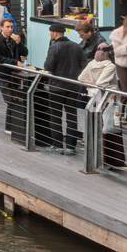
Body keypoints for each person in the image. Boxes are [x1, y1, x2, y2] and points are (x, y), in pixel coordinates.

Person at [79, 42, 126, 170]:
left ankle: (99, 158)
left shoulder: (91, 64)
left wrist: (91, 83)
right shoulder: (110, 66)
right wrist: (96, 83)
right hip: (110, 100)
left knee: (99, 127)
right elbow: (101, 82)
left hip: (94, 100)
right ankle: (115, 161)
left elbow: (81, 78)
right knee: (113, 128)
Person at [41, 23, 87, 154]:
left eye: (50, 32)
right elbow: (84, 64)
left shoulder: (54, 47)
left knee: (55, 115)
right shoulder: (76, 46)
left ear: (54, 33)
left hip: (56, 86)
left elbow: (48, 66)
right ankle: (71, 146)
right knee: (71, 115)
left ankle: (58, 144)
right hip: (73, 86)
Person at [0, 17, 29, 137]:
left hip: (15, 74)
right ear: (1, 27)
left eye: (11, 27)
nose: (10, 29)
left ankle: (13, 126)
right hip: (3, 74)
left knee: (16, 99)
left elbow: (25, 52)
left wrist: (19, 43)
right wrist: (15, 62)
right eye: (7, 27)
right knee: (10, 99)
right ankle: (10, 126)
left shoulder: (14, 39)